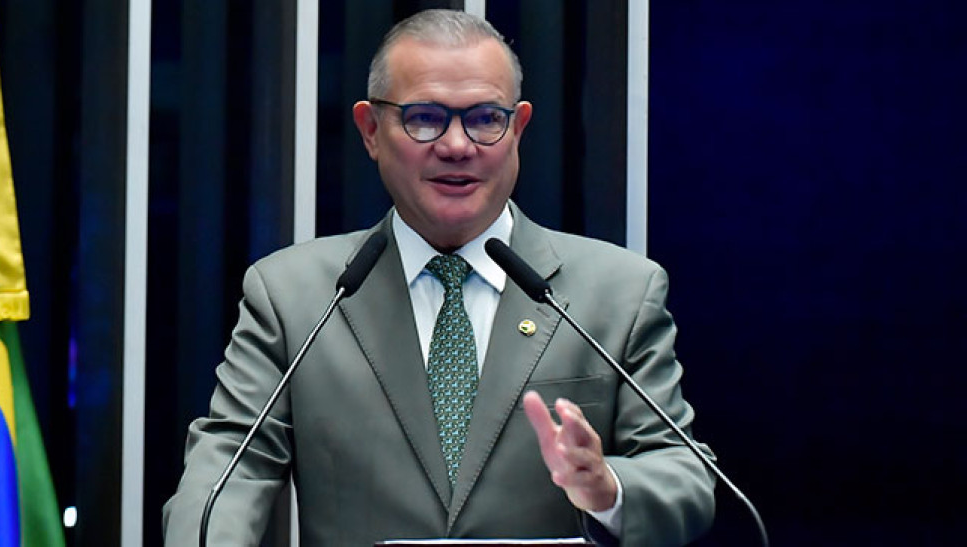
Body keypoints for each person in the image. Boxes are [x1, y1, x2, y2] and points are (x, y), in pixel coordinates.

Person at [164, 9, 715, 546]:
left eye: (485, 119)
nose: (456, 146)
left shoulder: (618, 292)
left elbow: (684, 476)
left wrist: (607, 488)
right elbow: (228, 471)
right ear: (371, 130)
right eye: (425, 118)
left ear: (518, 128)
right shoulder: (294, 296)